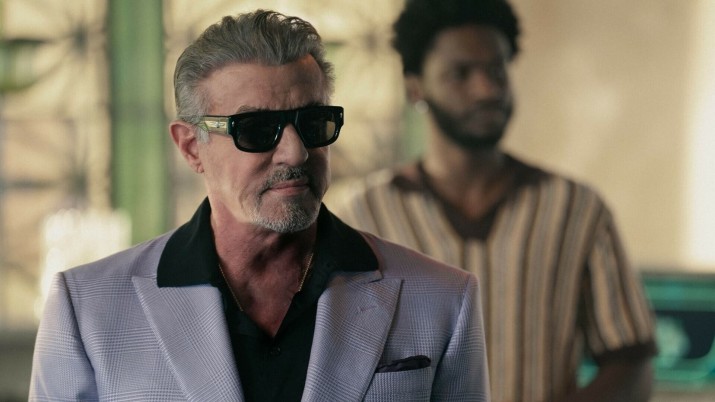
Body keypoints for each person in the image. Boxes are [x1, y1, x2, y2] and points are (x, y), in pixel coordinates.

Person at [29, 10, 489, 402]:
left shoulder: (443, 299)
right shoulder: (88, 309)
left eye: (313, 122)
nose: (295, 153)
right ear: (190, 147)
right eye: (255, 129)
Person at [329, 1, 657, 401]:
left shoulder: (575, 209)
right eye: (461, 73)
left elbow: (631, 361)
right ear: (416, 87)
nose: (486, 89)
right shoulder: (362, 215)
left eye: (496, 70)